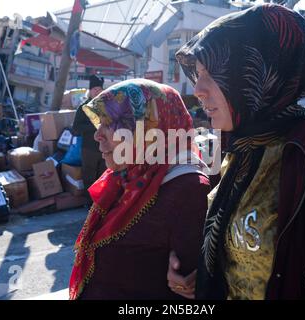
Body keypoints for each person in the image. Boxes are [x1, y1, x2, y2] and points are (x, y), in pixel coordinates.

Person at [168, 4, 305, 300]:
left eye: (214, 73)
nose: (198, 89)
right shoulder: (243, 148)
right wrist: (207, 279)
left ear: (260, 73)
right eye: (197, 74)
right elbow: (243, 259)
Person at [69, 79, 210, 300]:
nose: (97, 135)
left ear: (148, 130)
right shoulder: (125, 177)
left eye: (110, 123)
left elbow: (191, 291)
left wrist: (195, 287)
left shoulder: (188, 191)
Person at [72, 75, 107, 190]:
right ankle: (90, 203)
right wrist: (94, 126)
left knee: (104, 177)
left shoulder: (106, 107)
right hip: (89, 149)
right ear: (90, 91)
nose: (97, 92)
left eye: (99, 89)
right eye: (95, 89)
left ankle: (102, 203)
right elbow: (75, 129)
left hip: (105, 148)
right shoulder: (83, 108)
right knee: (89, 178)